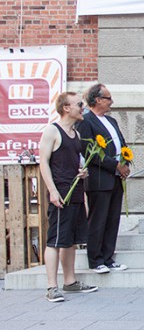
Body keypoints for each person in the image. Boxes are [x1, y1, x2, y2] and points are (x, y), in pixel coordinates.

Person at [38, 92, 98, 302]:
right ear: (66, 108)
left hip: (76, 191)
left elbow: (75, 162)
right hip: (61, 192)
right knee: (55, 240)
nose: (83, 108)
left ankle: (70, 281)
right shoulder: (52, 131)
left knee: (70, 240)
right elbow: (43, 162)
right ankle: (51, 286)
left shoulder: (76, 134)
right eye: (79, 104)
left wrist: (83, 172)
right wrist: (53, 190)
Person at [77, 83, 129, 274]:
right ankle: (95, 259)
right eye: (108, 98)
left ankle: (108, 257)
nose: (111, 101)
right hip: (99, 179)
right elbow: (89, 151)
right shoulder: (86, 121)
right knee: (98, 220)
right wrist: (115, 165)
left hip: (116, 178)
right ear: (97, 100)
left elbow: (122, 144)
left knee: (112, 219)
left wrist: (125, 163)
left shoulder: (111, 121)